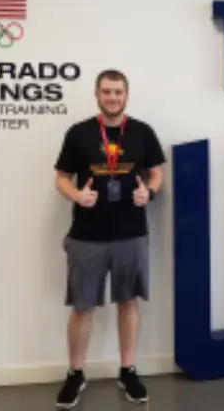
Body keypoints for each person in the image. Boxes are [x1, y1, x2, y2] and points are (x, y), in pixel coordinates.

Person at [53, 68, 165, 409]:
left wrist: (150, 192)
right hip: (87, 235)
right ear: (97, 94)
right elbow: (61, 177)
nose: (112, 97)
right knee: (82, 306)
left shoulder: (143, 132)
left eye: (118, 92)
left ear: (126, 95)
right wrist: (76, 195)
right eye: (106, 92)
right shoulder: (79, 133)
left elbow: (157, 172)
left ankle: (128, 369)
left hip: (131, 233)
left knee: (128, 302)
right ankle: (75, 373)